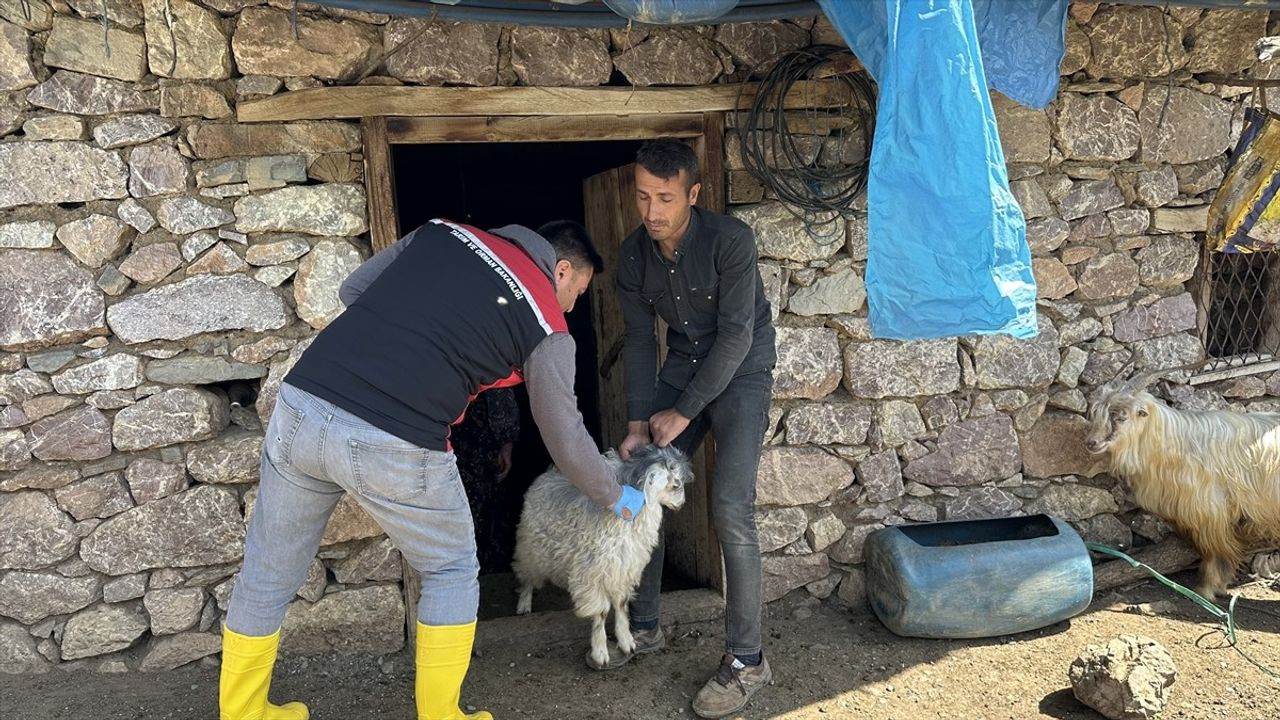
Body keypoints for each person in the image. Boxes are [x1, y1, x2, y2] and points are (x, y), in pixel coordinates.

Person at [218, 218, 643, 720]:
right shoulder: (548, 323)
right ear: (562, 268)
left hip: (304, 401)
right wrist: (616, 495)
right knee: (450, 569)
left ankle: (244, 713)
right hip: (397, 433)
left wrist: (409, 337)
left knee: (268, 571)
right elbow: (564, 435)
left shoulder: (442, 233)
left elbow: (354, 289)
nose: (572, 305)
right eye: (577, 291)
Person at [611, 139, 777, 720]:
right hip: (681, 365)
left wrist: (681, 412)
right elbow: (636, 340)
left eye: (665, 197)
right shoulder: (634, 256)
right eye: (642, 196)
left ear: (694, 194)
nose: (652, 211)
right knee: (637, 486)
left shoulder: (731, 241)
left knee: (731, 507)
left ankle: (747, 660)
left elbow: (734, 338)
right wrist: (638, 424)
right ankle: (645, 622)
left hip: (742, 370)